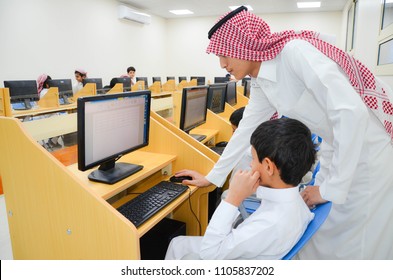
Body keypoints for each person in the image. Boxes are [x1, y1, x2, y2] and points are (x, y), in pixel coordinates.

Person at [176, 6, 393, 259]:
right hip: (338, 147)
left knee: (356, 241)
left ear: (244, 44)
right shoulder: (260, 80)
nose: (223, 64)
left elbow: (350, 113)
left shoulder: (293, 53)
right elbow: (246, 129)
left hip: (368, 152)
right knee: (324, 233)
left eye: (225, 54)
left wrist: (328, 190)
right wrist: (212, 178)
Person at [165, 118, 316, 260]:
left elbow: (209, 253)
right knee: (178, 243)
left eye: (254, 159)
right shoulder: (298, 203)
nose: (251, 165)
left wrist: (233, 198)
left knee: (177, 244)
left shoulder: (267, 225)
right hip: (256, 250)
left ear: (269, 167)